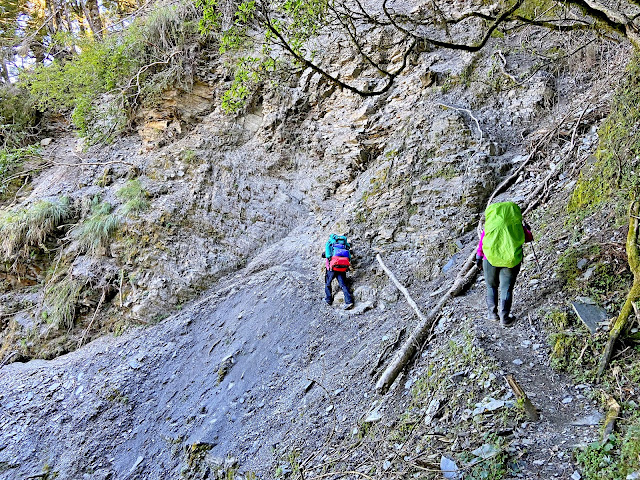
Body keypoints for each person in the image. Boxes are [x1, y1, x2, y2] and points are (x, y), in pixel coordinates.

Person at [475, 201, 533, 326]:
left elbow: (482, 242)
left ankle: (492, 314)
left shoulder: (491, 226)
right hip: (510, 261)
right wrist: (527, 229)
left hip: (489, 259)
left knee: (491, 286)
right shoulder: (516, 225)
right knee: (506, 288)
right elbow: (528, 238)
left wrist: (478, 257)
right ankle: (505, 318)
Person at [323, 234, 354, 310]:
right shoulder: (345, 244)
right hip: (342, 267)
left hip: (332, 268)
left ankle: (328, 299)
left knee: (328, 283)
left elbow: (327, 255)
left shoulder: (330, 243)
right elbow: (349, 257)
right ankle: (349, 301)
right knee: (343, 284)